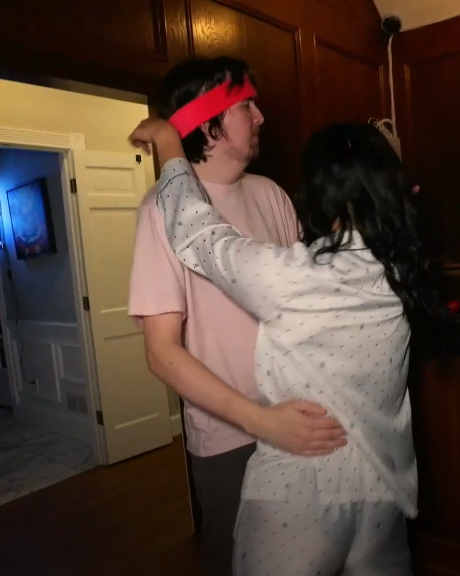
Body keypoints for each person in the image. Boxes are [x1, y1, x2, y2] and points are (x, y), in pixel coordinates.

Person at [129, 117, 444, 575]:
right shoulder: (397, 269)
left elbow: (199, 235)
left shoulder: (296, 277)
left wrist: (166, 142)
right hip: (383, 490)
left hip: (303, 492)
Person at [128, 56, 346, 576]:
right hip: (231, 439)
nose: (261, 116)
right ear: (209, 123)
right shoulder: (159, 210)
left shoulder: (270, 193)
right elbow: (161, 353)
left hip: (301, 417)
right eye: (247, 105)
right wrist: (261, 420)